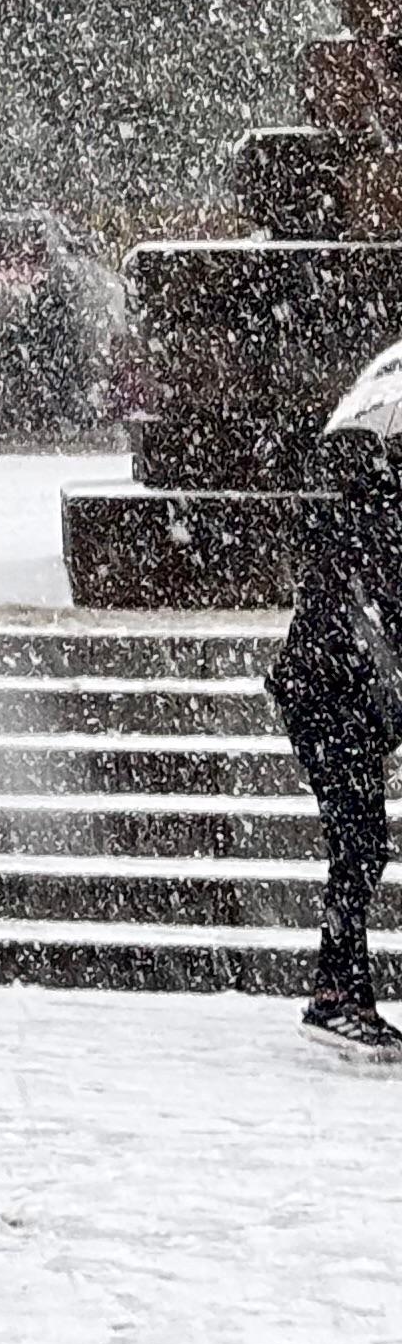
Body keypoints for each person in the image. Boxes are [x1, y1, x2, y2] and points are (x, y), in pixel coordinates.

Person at [268, 419, 402, 1061]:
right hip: (331, 705)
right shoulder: (375, 528)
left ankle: (343, 990)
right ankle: (336, 994)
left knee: (361, 846)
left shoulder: (361, 521)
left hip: (331, 703)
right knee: (359, 845)